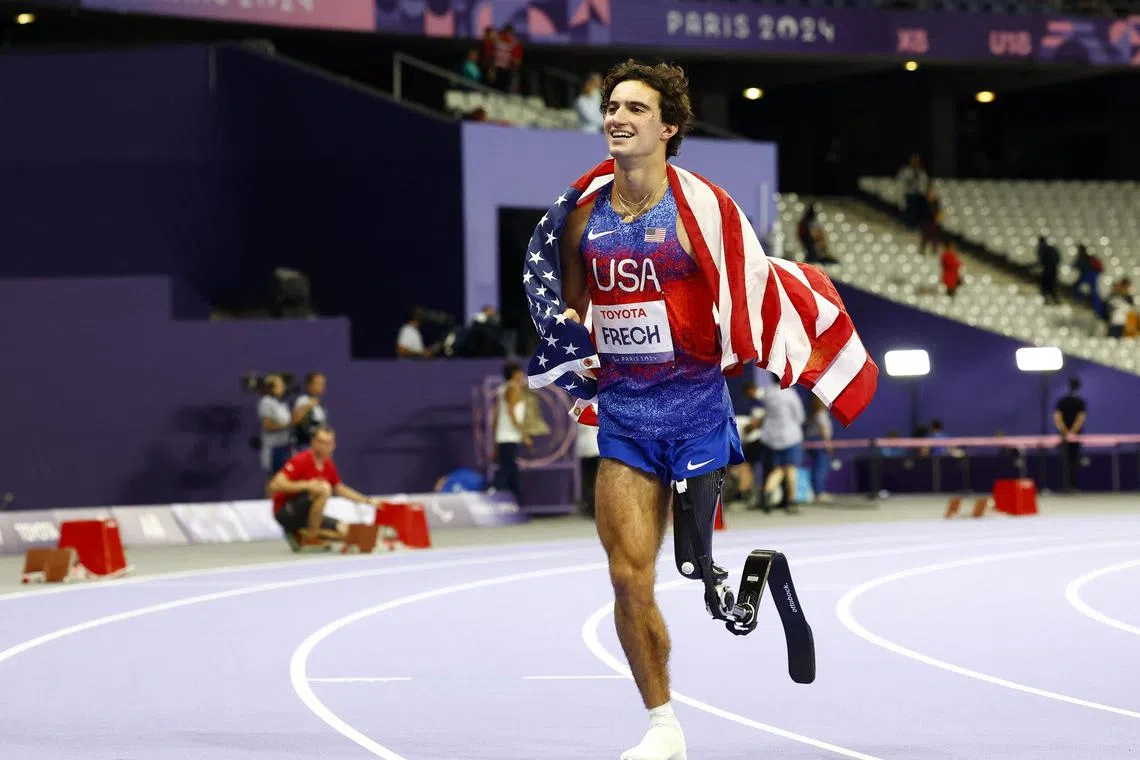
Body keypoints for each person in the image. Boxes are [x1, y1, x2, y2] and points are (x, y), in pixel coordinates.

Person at [523, 60, 877, 760]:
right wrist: (567, 334)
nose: (618, 117)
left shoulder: (703, 214)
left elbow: (751, 288)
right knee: (628, 578)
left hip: (694, 409)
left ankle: (745, 584)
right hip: (625, 414)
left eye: (634, 108)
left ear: (668, 127)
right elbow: (571, 308)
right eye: (612, 106)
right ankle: (664, 726)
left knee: (698, 576)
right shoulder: (582, 221)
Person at [268, 426, 378, 550]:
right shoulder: (301, 460)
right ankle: (311, 538)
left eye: (328, 443)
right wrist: (308, 485)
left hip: (309, 516)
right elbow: (275, 485)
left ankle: (301, 534)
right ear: (313, 442)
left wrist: (368, 501)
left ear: (334, 445)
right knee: (323, 488)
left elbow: (341, 489)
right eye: (321, 442)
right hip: (286, 511)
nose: (325, 446)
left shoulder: (328, 464)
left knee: (346, 531)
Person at [492, 362, 530, 506]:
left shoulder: (503, 389)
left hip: (504, 437)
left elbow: (496, 417)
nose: (522, 375)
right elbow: (511, 412)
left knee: (510, 470)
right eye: (520, 373)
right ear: (514, 374)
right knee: (507, 471)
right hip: (509, 436)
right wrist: (523, 433)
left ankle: (515, 502)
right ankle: (499, 502)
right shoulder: (513, 387)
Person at [1053, 377, 1087, 493]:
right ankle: (1071, 486)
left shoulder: (1061, 401)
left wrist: (1064, 431)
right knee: (1073, 460)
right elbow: (1080, 418)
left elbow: (1057, 417)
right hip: (1075, 436)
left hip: (1064, 435)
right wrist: (1072, 432)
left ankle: (1066, 486)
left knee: (1065, 460)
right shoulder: (1080, 402)